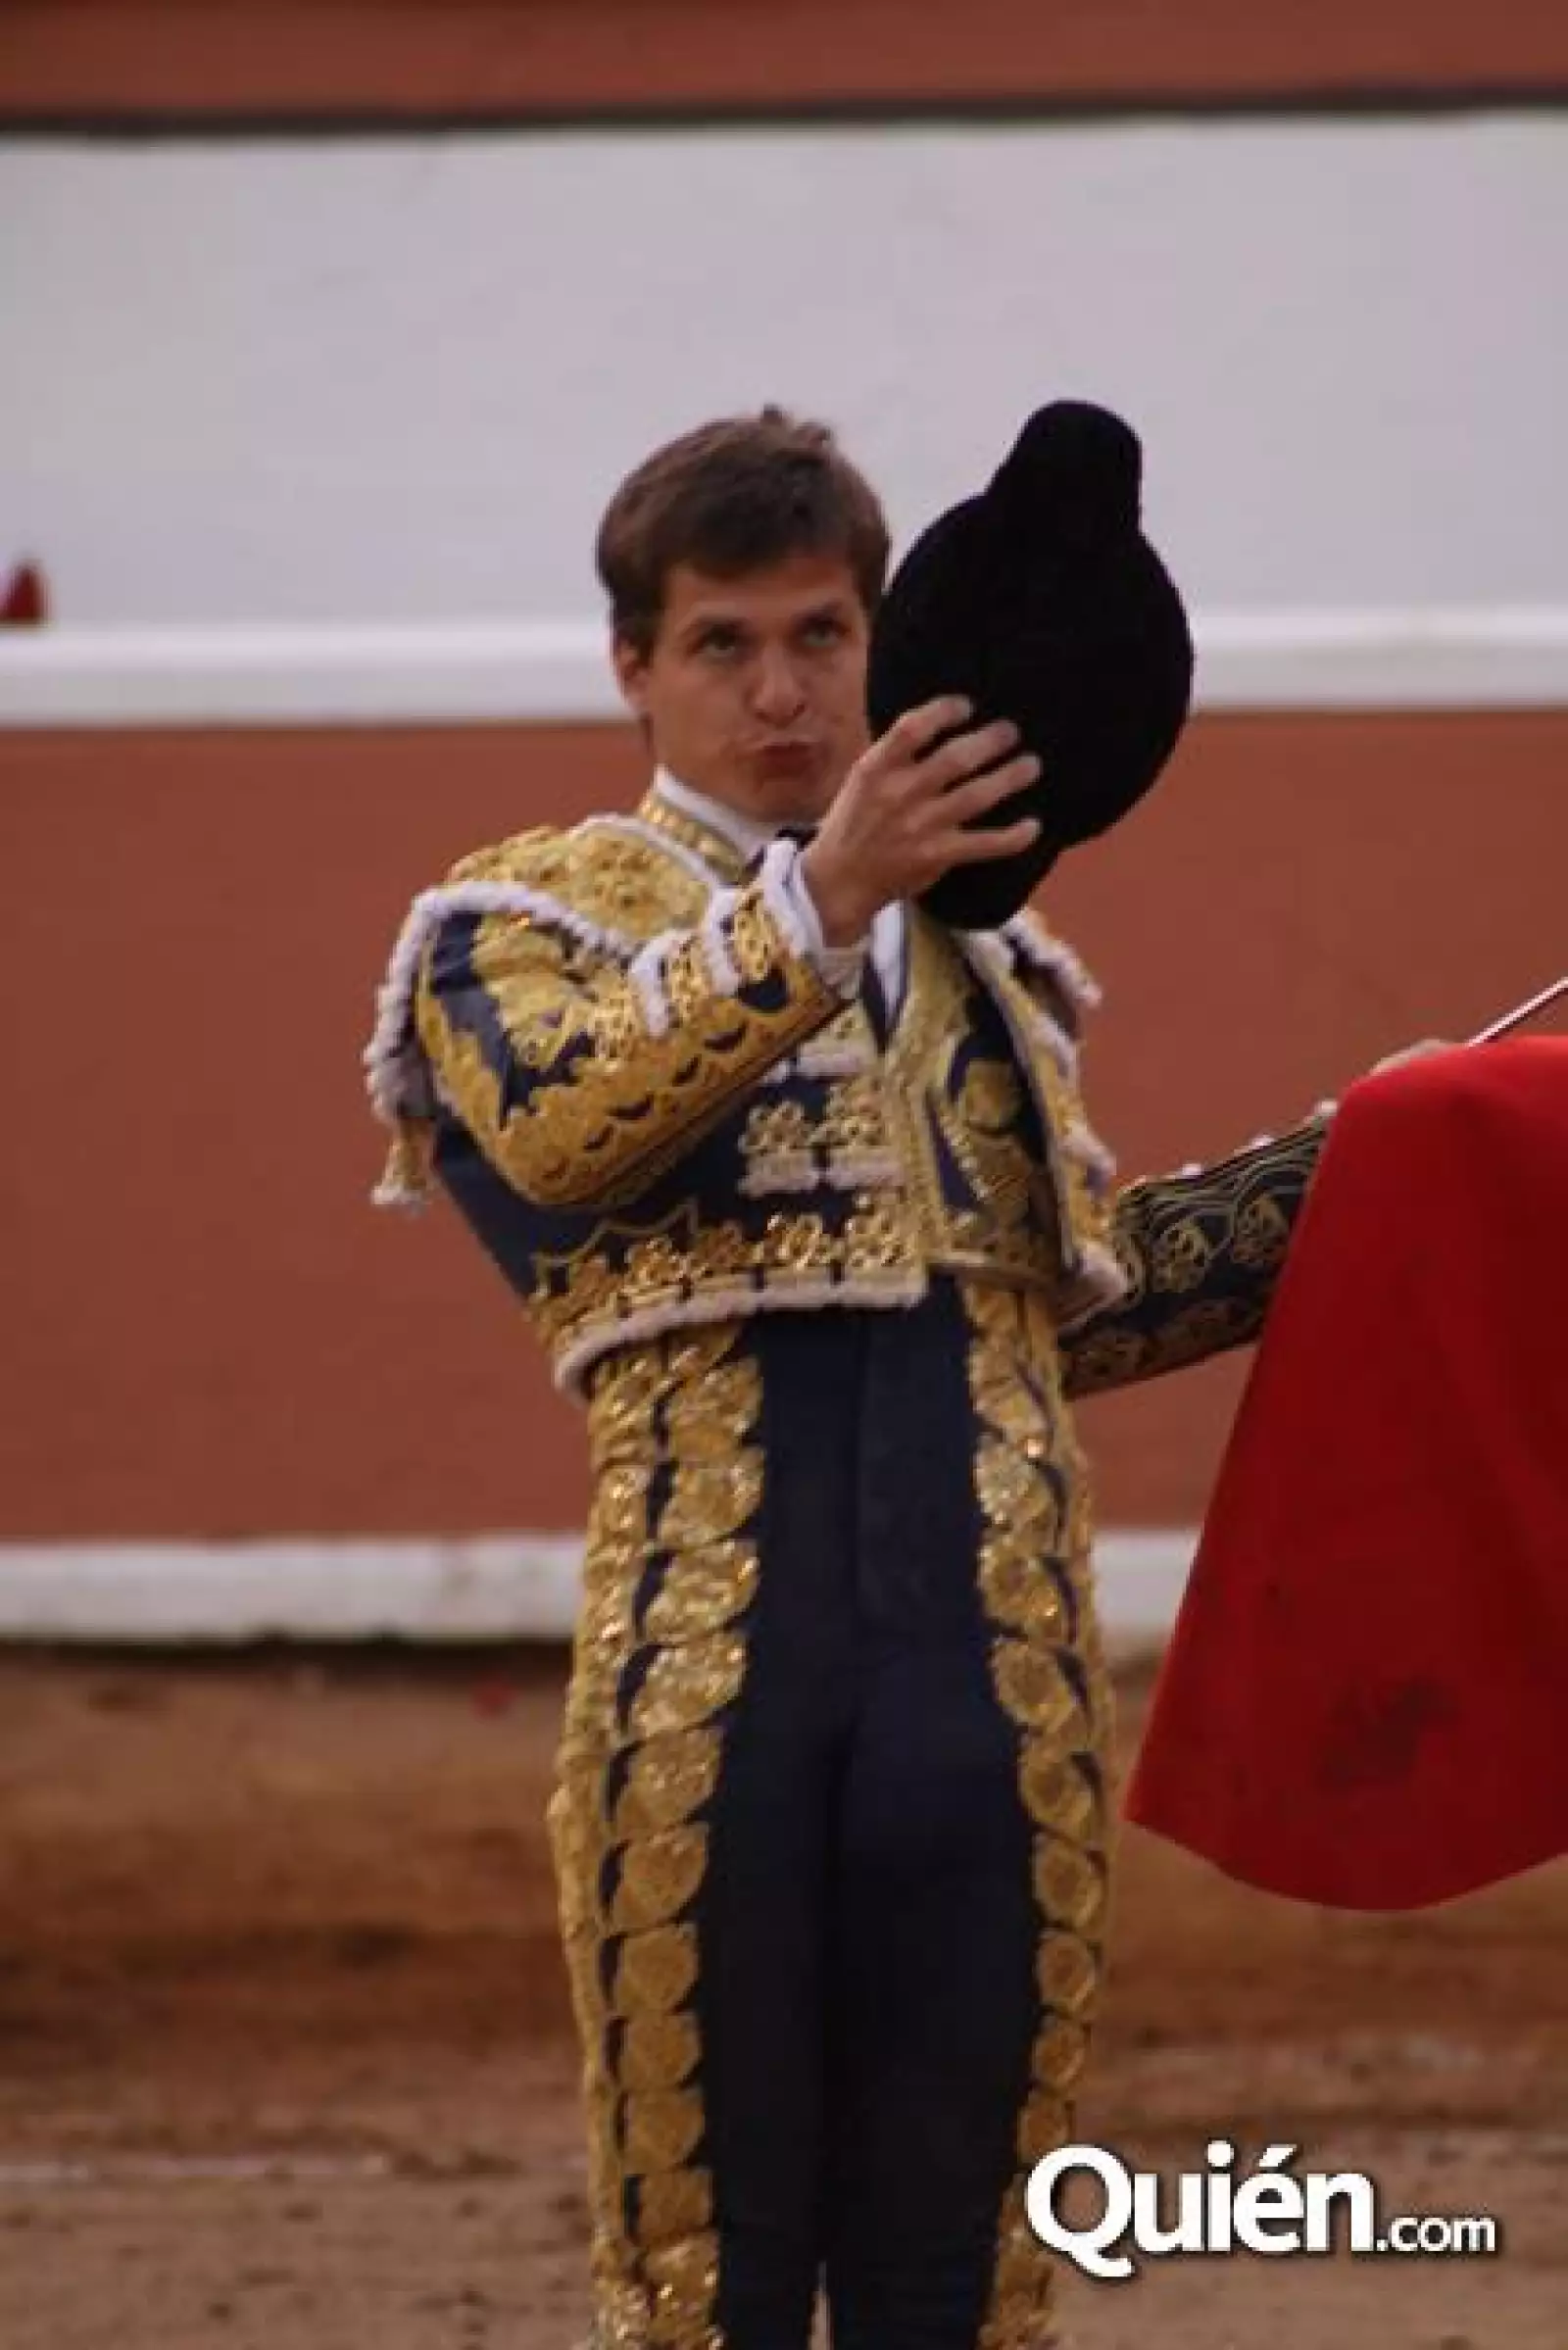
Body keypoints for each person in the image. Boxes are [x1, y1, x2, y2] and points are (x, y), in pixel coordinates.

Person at [364, 409, 1334, 2350]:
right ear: (630, 663)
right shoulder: (513, 930)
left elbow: (1055, 1296)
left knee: (956, 2279)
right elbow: (562, 1136)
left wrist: (1378, 1157)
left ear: (878, 639)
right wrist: (820, 903)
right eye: (721, 643)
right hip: (712, 1685)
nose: (781, 691)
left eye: (817, 633)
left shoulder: (992, 976)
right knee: (708, 2278)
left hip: (990, 1688)